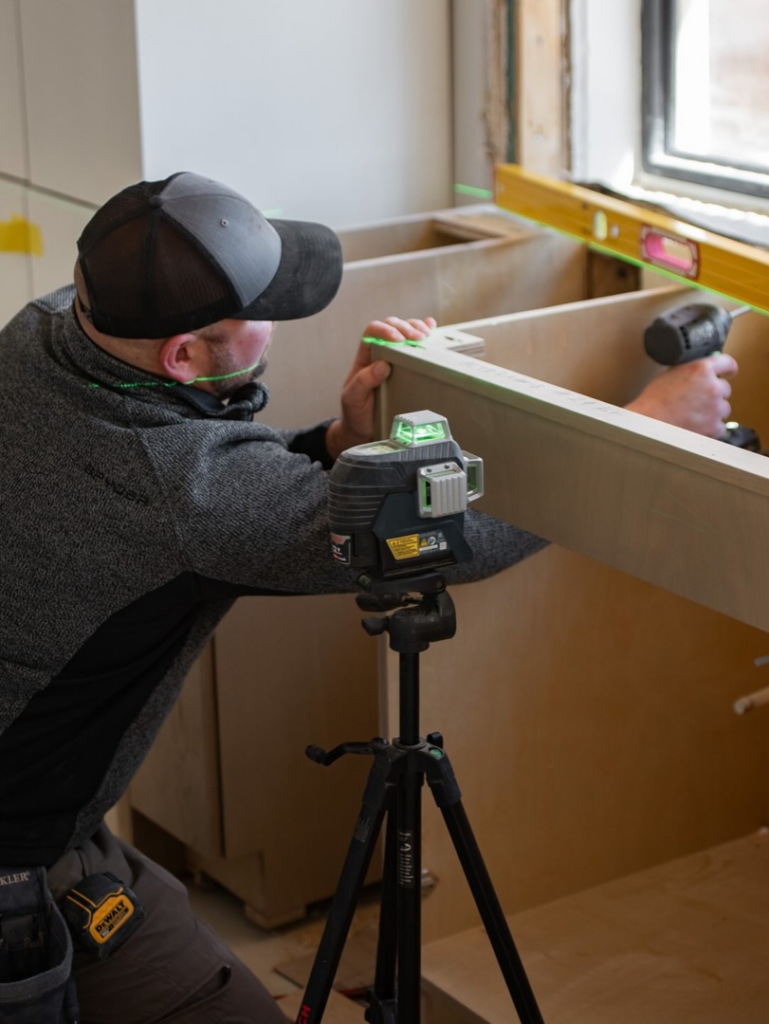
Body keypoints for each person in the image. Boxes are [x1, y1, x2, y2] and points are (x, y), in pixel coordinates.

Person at [0, 171, 736, 1023]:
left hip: (60, 828)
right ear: (185, 356)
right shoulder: (188, 493)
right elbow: (441, 543)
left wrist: (338, 445)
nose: (281, 317)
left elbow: (203, 480)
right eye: (263, 310)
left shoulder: (52, 329)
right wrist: (648, 431)